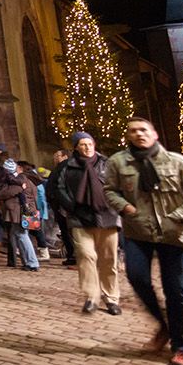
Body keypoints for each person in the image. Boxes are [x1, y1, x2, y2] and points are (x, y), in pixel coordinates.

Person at [104, 116, 183, 365]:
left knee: (175, 291)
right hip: (138, 231)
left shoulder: (177, 162)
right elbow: (109, 189)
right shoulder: (118, 162)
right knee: (137, 277)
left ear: (154, 134)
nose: (138, 134)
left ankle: (182, 348)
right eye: (132, 130)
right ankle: (164, 326)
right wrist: (125, 207)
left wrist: (178, 216)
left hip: (174, 234)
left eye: (143, 130)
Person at [55, 132, 121, 315]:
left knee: (109, 260)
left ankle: (111, 298)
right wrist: (72, 206)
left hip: (107, 216)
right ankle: (92, 296)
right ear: (76, 147)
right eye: (83, 144)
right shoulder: (67, 166)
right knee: (86, 255)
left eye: (90, 143)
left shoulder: (106, 163)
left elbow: (118, 186)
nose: (87, 147)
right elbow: (58, 188)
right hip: (80, 218)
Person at [0, 157, 39, 271]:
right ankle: (27, 262)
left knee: (22, 235)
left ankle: (32, 263)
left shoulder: (20, 180)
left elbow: (2, 194)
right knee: (20, 235)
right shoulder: (28, 179)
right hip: (27, 209)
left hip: (20, 211)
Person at [48, 149, 77, 266]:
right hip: (63, 205)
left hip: (63, 206)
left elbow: (57, 188)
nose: (54, 158)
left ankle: (73, 256)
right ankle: (72, 255)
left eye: (57, 155)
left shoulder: (63, 168)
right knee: (68, 232)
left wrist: (60, 203)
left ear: (64, 156)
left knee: (68, 232)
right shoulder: (64, 167)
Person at [19, 161, 51, 260]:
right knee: (32, 230)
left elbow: (40, 195)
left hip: (31, 208)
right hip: (34, 208)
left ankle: (42, 253)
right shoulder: (33, 177)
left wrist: (41, 211)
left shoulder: (27, 179)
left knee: (35, 231)